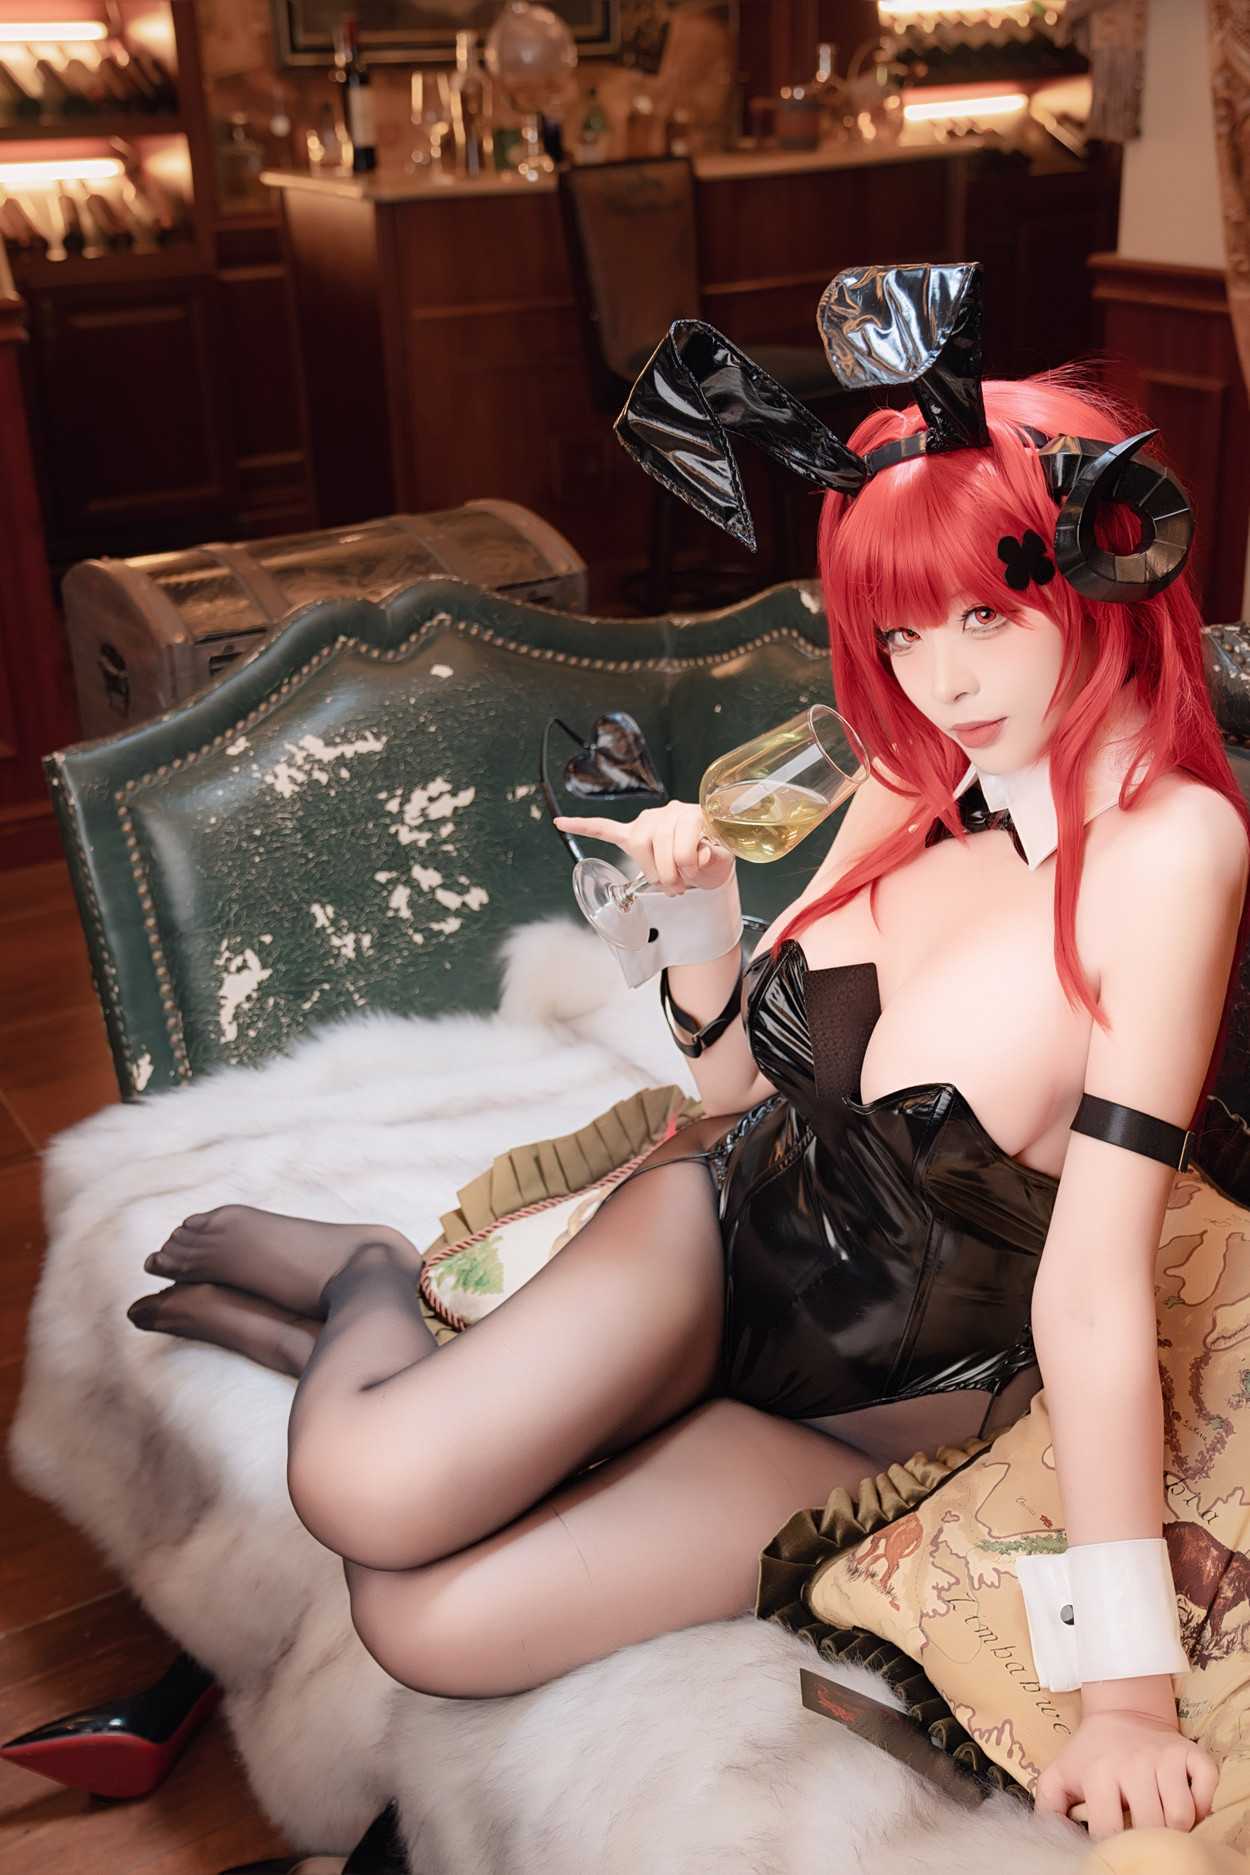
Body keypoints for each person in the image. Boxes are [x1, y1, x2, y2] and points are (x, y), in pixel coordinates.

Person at [124, 265, 1250, 1849]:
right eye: (898, 632)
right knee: (369, 1491)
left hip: (877, 1411)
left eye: (984, 617)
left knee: (426, 1623)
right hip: (711, 1236)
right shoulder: (915, 768)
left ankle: (398, 1324)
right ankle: (377, 1276)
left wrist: (1123, 1695)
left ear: (1094, 576)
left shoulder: (1170, 851)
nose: (941, 679)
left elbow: (1091, 1284)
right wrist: (708, 935)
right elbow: (731, 1091)